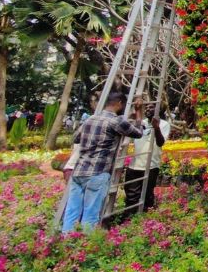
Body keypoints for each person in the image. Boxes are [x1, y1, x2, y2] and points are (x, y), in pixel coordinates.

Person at [62, 92, 144, 233]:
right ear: (119, 103)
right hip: (98, 172)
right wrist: (138, 113)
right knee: (91, 214)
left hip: (79, 171)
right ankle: (87, 246)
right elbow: (138, 133)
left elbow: (75, 138)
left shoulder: (89, 119)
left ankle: (67, 242)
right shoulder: (115, 121)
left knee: (72, 212)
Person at [122, 104, 169, 219]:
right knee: (131, 195)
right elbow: (136, 133)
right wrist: (137, 113)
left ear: (159, 110)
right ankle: (129, 219)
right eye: (146, 107)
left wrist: (156, 128)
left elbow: (160, 142)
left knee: (147, 195)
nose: (147, 109)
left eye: (151, 107)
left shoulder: (164, 124)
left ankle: (145, 219)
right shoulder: (141, 122)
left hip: (151, 165)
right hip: (135, 164)